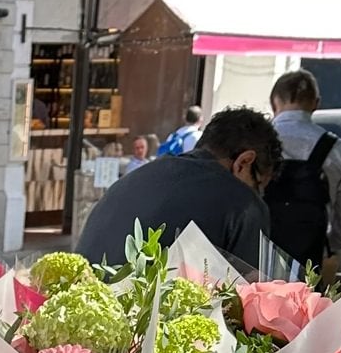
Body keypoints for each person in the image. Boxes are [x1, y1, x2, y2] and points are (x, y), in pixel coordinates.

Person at [76, 105, 282, 273]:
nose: (257, 194)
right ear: (244, 162)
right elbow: (250, 297)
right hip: (139, 310)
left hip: (78, 299)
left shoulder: (136, 177)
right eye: (258, 185)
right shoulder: (244, 204)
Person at [267, 69, 341, 272]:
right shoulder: (338, 150)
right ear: (316, 104)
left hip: (253, 263)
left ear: (273, 102)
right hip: (309, 266)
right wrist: (321, 244)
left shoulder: (254, 142)